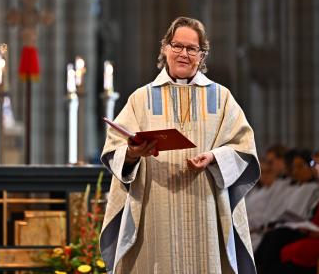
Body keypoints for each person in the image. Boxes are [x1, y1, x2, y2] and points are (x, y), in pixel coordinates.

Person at [99, 16, 260, 273]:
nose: (183, 54)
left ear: (202, 55)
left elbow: (244, 147)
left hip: (205, 206)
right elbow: (115, 149)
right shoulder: (141, 98)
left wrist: (215, 158)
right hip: (155, 207)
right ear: (165, 48)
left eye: (192, 48)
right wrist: (132, 153)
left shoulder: (221, 98)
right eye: (177, 46)